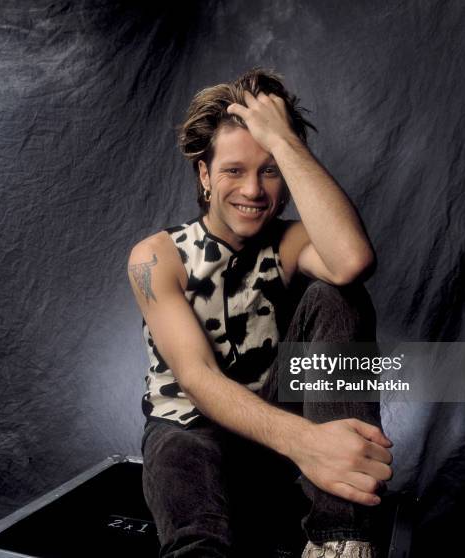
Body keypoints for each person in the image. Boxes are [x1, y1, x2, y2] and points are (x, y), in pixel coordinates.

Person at [128, 68, 394, 558]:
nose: (253, 189)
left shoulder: (288, 242)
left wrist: (285, 141)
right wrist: (308, 443)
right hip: (191, 433)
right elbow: (197, 377)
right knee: (179, 452)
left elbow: (352, 260)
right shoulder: (155, 256)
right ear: (205, 175)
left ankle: (342, 540)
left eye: (269, 170)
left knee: (339, 294)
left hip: (273, 440)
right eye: (234, 170)